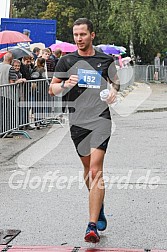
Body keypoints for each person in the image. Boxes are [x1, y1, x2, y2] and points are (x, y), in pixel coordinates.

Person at [49, 18, 120, 243]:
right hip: (77, 121)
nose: (79, 39)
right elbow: (53, 89)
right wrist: (66, 85)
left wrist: (113, 92)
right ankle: (97, 206)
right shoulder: (66, 61)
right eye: (76, 35)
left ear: (92, 35)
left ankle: (91, 226)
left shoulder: (104, 59)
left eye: (83, 35)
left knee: (96, 170)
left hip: (100, 119)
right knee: (88, 169)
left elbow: (116, 82)